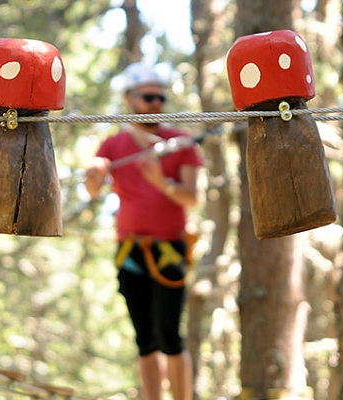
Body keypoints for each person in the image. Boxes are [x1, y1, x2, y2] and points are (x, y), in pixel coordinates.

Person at [85, 62, 202, 400]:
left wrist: (161, 183)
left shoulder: (179, 142)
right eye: (148, 96)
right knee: (145, 338)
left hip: (170, 248)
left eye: (160, 97)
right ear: (129, 99)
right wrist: (94, 173)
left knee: (170, 334)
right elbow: (94, 190)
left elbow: (192, 197)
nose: (155, 102)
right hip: (130, 250)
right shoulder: (114, 145)